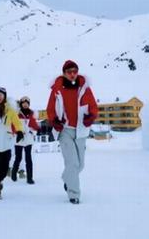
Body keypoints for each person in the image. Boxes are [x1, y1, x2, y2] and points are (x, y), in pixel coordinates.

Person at [46, 60, 98, 204]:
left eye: (75, 71)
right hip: (65, 131)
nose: (73, 74)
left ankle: (67, 178)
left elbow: (93, 106)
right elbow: (50, 109)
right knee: (73, 163)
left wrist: (91, 117)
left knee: (80, 165)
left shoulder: (84, 88)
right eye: (69, 72)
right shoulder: (57, 89)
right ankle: (74, 194)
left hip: (81, 130)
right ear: (64, 73)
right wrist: (54, 121)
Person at [0, 87, 24, 200]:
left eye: (1, 95)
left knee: (5, 168)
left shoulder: (9, 109)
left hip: (6, 143)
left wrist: (19, 131)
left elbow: (16, 121)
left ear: (4, 97)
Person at [11, 96, 40, 184]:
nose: (25, 105)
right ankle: (13, 173)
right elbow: (13, 126)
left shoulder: (32, 113)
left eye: (27, 103)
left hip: (28, 138)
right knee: (18, 158)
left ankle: (30, 178)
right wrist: (16, 132)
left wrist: (38, 128)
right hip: (19, 138)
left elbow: (34, 124)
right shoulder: (16, 114)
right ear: (21, 104)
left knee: (28, 158)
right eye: (23, 103)